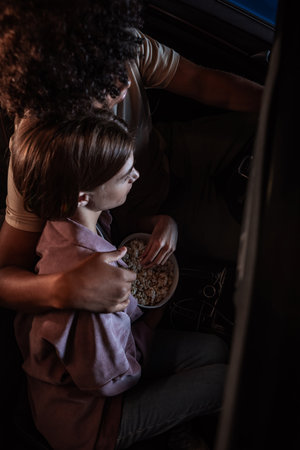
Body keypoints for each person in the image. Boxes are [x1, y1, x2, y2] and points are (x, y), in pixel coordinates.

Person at [0, 0, 263, 315]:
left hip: (172, 152)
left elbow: (200, 82)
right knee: (266, 244)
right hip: (143, 223)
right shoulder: (40, 149)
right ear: (62, 99)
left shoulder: (111, 43)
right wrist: (63, 288)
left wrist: (278, 100)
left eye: (120, 66)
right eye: (103, 85)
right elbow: (6, 273)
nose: (124, 83)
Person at [12, 110, 228, 449]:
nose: (137, 175)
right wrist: (150, 324)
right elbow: (114, 379)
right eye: (125, 174)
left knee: (214, 348)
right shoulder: (96, 297)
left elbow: (115, 223)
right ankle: (168, 432)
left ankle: (173, 426)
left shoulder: (71, 222)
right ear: (83, 195)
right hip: (92, 419)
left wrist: (163, 221)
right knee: (224, 382)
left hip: (115, 354)